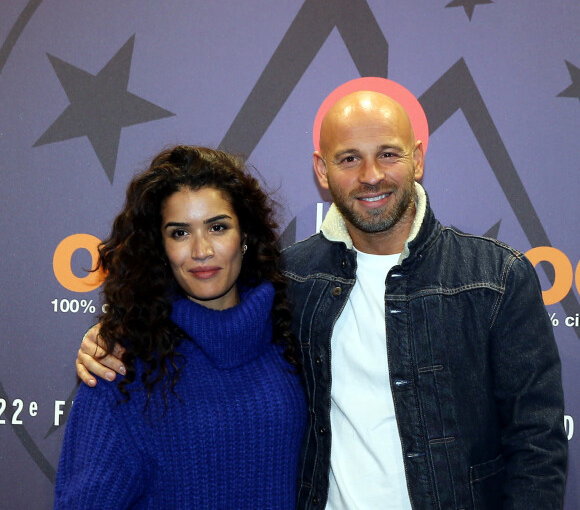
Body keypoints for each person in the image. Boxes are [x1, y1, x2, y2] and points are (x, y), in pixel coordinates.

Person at [76, 83, 568, 509]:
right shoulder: (290, 280)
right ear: (321, 169)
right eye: (349, 158)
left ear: (418, 158)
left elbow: (537, 447)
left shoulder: (496, 277)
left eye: (389, 153)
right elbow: (200, 301)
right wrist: (113, 335)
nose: (370, 175)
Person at [56, 145, 306, 509]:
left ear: (246, 236)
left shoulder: (292, 333)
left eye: (217, 227)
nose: (201, 250)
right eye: (179, 233)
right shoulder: (121, 363)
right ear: (160, 246)